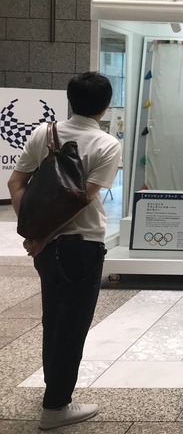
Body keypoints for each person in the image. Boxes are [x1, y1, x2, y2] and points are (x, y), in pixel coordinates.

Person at [7, 72, 121, 430]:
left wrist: (34, 232)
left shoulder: (44, 133)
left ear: (70, 101)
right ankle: (56, 406)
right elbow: (79, 201)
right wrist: (41, 235)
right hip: (82, 247)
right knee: (72, 326)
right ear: (105, 106)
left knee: (54, 319)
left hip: (46, 249)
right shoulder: (106, 144)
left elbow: (15, 182)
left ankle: (54, 391)